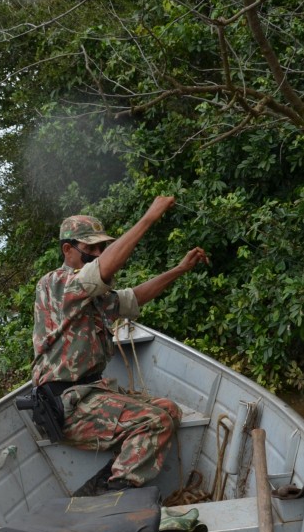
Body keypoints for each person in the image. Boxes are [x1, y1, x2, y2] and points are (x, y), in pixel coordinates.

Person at [32, 196, 209, 496]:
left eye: (102, 247)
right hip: (66, 406)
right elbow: (106, 266)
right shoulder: (57, 284)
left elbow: (134, 298)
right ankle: (112, 495)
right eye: (90, 249)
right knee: (154, 421)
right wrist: (149, 218)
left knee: (169, 410)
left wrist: (179, 270)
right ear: (67, 249)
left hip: (92, 394)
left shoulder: (94, 295)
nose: (99, 253)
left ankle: (106, 478)